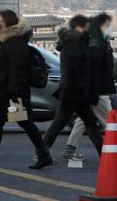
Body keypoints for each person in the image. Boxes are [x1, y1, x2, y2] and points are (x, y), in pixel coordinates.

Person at [0, 10, 50, 170]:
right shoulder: (7, 41)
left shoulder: (14, 43)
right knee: (10, 122)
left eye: (0, 21)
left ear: (7, 24)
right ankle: (42, 154)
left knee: (15, 122)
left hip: (12, 94)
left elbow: (18, 69)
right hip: (6, 92)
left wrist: (14, 92)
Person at [43, 15, 103, 159]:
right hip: (73, 91)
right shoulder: (76, 43)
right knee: (62, 123)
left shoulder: (74, 41)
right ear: (80, 26)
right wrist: (83, 88)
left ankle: (42, 153)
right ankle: (41, 152)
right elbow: (73, 69)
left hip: (74, 91)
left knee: (89, 124)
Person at [63, 13, 115, 160]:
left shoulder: (97, 41)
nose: (109, 28)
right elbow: (95, 70)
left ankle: (70, 148)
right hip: (99, 90)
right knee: (110, 120)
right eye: (107, 25)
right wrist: (95, 89)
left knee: (83, 119)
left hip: (95, 89)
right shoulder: (96, 44)